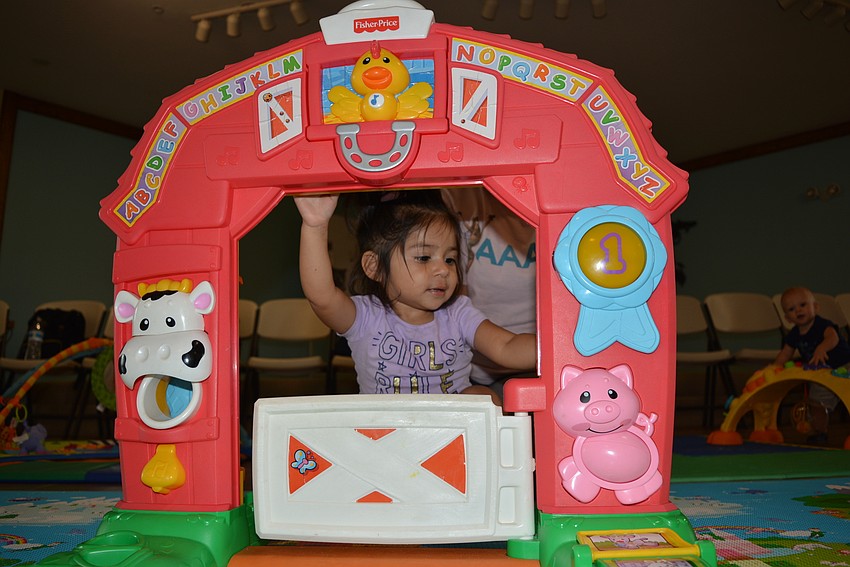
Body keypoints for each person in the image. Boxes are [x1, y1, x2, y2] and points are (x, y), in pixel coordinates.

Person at [295, 190, 537, 405]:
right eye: (424, 258)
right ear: (375, 266)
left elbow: (506, 347)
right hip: (386, 434)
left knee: (483, 396)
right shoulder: (365, 317)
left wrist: (564, 345)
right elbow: (322, 297)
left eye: (450, 259)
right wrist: (315, 225)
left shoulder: (458, 313)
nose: (443, 269)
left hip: (448, 436)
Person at [440, 187, 537, 397]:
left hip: (548, 363)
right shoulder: (459, 196)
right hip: (478, 371)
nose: (438, 269)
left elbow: (507, 348)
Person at [773, 286, 850, 441]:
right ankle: (819, 431)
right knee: (816, 403)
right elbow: (785, 353)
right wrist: (774, 369)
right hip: (822, 374)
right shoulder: (794, 334)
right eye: (791, 309)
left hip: (845, 366)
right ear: (788, 318)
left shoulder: (822, 324)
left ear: (815, 307)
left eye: (803, 305)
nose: (798, 311)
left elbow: (833, 337)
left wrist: (822, 348)